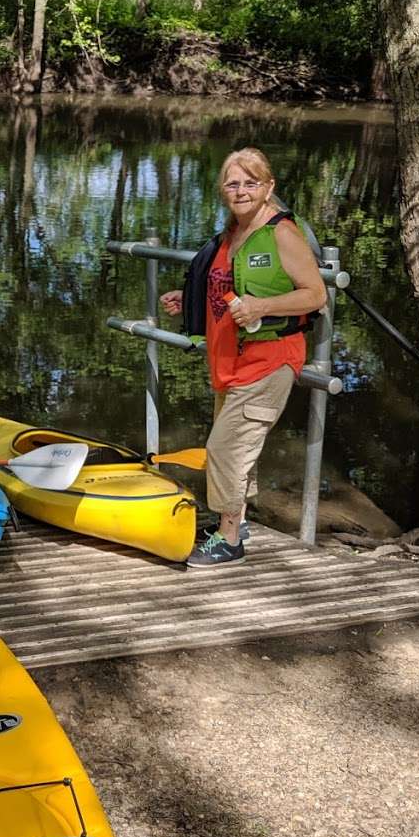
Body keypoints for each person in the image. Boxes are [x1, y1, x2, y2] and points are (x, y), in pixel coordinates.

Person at [160, 147, 328, 568]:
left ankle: (229, 539)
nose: (241, 191)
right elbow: (226, 285)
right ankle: (238, 522)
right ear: (223, 190)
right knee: (239, 446)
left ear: (268, 186)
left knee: (225, 448)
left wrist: (261, 308)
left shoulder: (281, 233)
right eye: (233, 183)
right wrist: (190, 297)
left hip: (269, 360)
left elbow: (315, 294)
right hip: (228, 361)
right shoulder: (230, 234)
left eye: (251, 182)